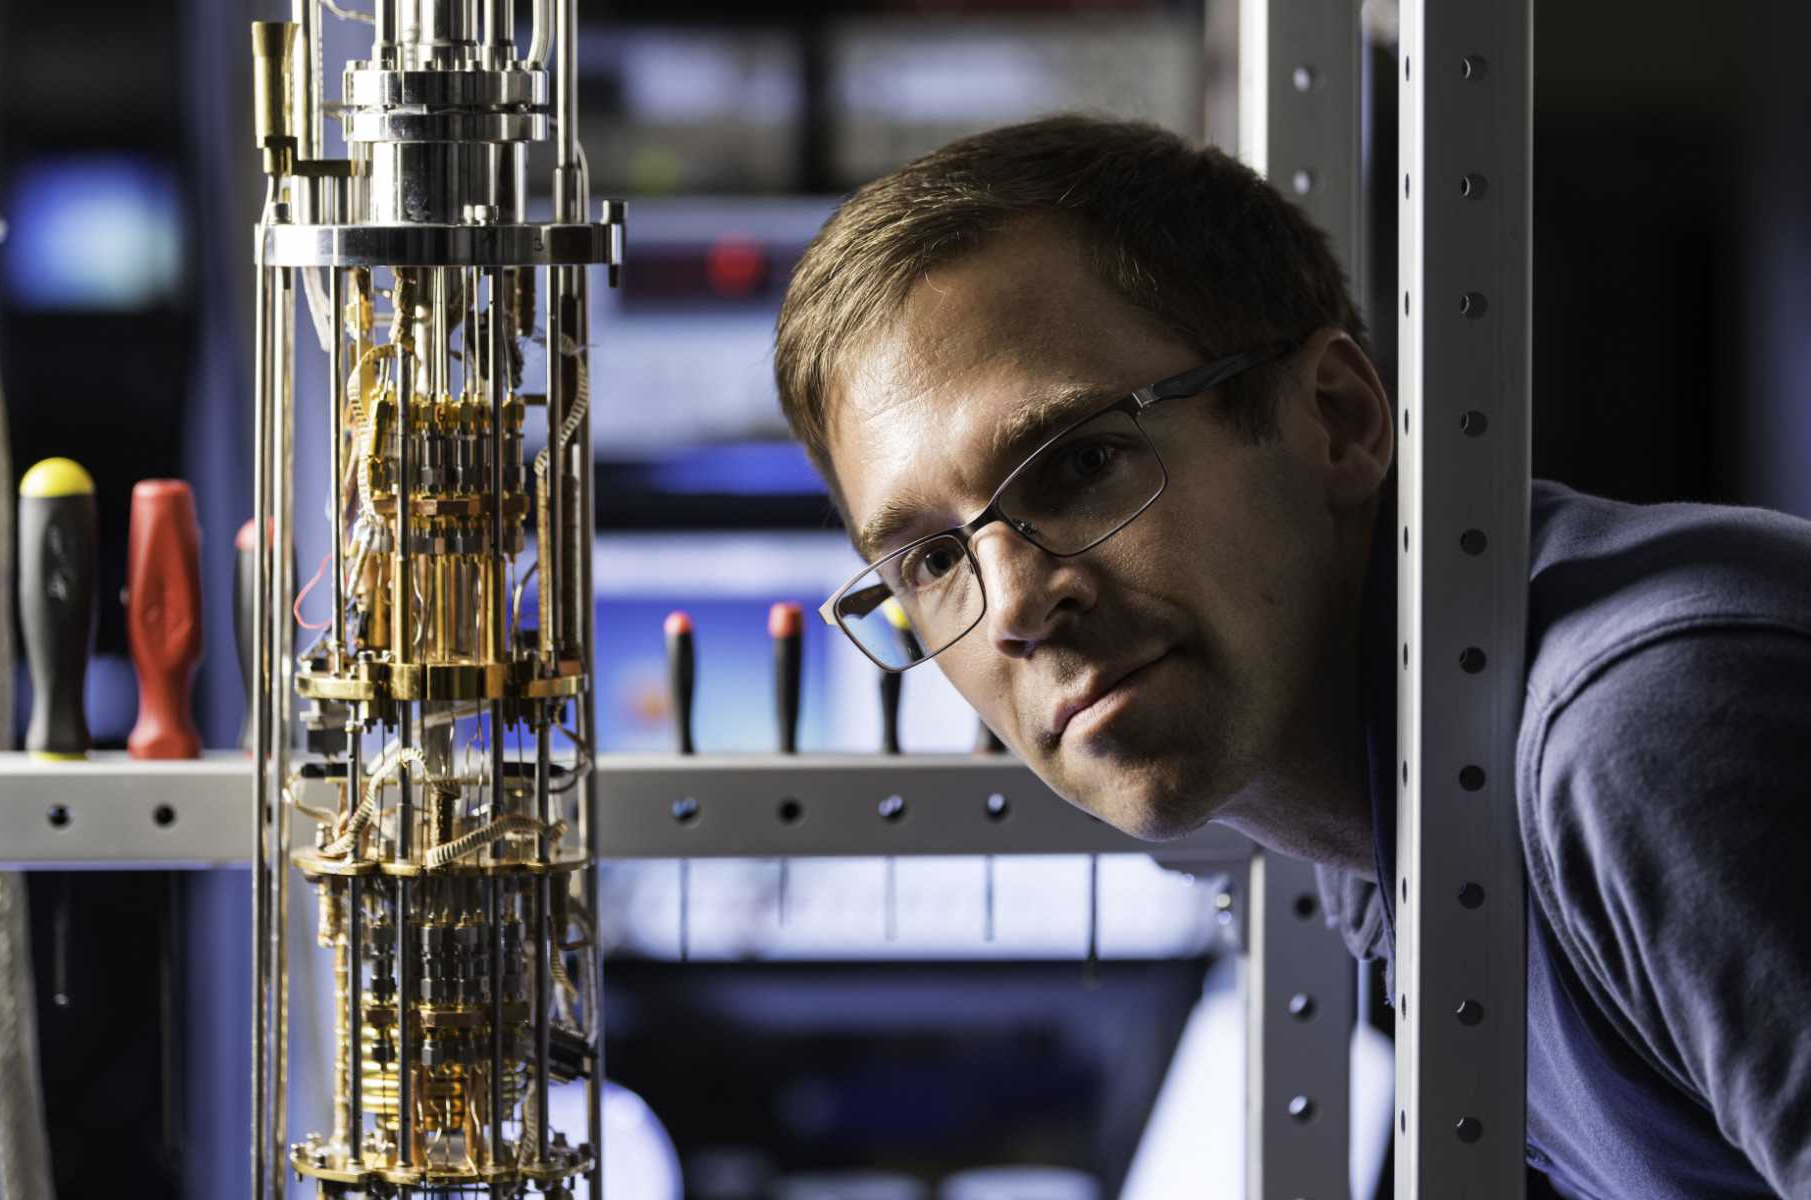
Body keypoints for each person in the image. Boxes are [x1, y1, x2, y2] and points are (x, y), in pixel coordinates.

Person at [773, 114, 1811, 1199]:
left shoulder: (1636, 733)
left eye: (1081, 461)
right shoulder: (1372, 803)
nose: (1016, 610)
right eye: (932, 559)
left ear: (1337, 418)